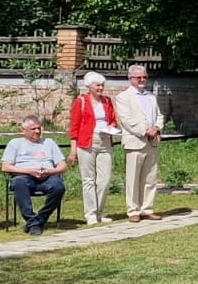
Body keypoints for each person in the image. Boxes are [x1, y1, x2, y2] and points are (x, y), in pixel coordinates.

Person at [114, 63, 165, 222]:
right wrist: (145, 130)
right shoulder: (123, 97)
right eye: (139, 77)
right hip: (135, 142)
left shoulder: (150, 96)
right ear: (130, 79)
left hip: (152, 142)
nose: (142, 79)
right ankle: (133, 210)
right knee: (133, 178)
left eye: (144, 77)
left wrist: (156, 127)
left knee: (150, 178)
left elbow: (160, 115)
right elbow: (126, 120)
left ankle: (147, 208)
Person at [0, 116, 67, 235]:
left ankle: (38, 220)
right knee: (19, 183)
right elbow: (5, 167)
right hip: (24, 177)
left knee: (58, 187)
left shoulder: (49, 143)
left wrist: (48, 171)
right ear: (23, 130)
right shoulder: (15, 143)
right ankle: (32, 221)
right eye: (33, 129)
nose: (37, 131)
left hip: (47, 177)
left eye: (39, 128)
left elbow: (63, 166)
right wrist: (29, 171)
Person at [68, 71, 118, 225]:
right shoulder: (80, 102)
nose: (101, 88)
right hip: (87, 142)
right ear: (89, 86)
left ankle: (100, 212)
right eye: (97, 85)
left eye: (102, 85)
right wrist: (73, 150)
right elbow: (74, 127)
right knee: (88, 179)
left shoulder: (107, 101)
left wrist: (112, 126)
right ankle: (90, 213)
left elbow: (114, 120)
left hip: (105, 141)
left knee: (104, 180)